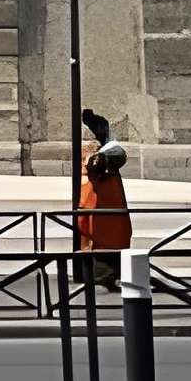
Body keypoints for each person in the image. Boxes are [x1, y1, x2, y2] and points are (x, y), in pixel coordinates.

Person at [76, 106, 132, 292]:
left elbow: (116, 155)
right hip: (99, 208)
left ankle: (107, 275)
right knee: (100, 241)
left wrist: (106, 140)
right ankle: (102, 276)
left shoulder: (107, 156)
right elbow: (95, 163)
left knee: (108, 241)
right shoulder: (95, 162)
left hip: (106, 209)